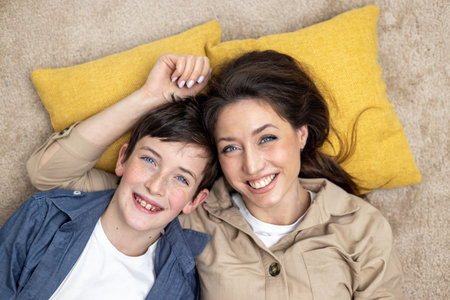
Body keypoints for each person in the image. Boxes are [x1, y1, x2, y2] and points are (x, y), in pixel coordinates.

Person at [26, 50, 404, 299]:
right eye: (230, 148)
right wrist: (150, 97)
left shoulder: (361, 226)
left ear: (301, 135)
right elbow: (51, 175)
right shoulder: (190, 209)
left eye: (267, 138)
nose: (253, 166)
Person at [0, 55, 219, 300]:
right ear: (122, 159)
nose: (155, 186)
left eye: (181, 179)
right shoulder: (43, 217)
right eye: (149, 160)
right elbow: (47, 171)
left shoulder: (181, 287)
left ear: (195, 201)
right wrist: (150, 96)